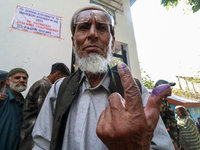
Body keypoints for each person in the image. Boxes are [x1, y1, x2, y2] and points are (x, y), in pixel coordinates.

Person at [32, 4, 174, 150]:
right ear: (74, 42)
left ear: (112, 44)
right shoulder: (59, 88)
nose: (93, 34)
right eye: (84, 27)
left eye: (101, 27)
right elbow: (42, 145)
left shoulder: (135, 91)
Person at [19, 63, 70, 150]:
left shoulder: (46, 85)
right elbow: (45, 115)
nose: (64, 82)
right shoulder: (42, 85)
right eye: (64, 79)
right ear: (58, 74)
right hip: (32, 134)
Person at [0, 68, 28, 150]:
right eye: (17, 78)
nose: (21, 80)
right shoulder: (2, 99)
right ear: (8, 81)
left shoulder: (26, 103)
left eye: (24, 78)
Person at [154, 79, 180, 149]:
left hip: (173, 138)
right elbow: (160, 126)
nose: (170, 89)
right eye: (168, 87)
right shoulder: (156, 103)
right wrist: (172, 141)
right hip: (167, 142)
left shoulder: (165, 101)